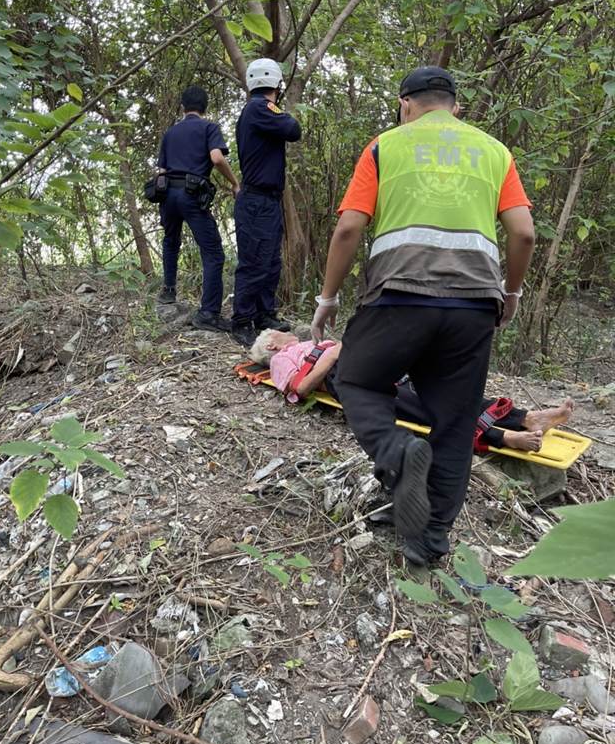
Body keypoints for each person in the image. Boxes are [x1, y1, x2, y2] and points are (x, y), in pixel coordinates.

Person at [310, 66, 535, 566]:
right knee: (454, 423)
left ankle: (396, 455)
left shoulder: (385, 146)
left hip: (398, 297)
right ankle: (429, 540)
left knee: (357, 380)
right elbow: (523, 234)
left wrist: (327, 300)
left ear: (404, 104)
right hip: (475, 305)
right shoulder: (495, 152)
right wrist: (511, 292)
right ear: (455, 107)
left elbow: (349, 229)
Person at [249, 329, 574, 454]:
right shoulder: (280, 360)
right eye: (279, 331)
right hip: (350, 378)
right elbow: (301, 388)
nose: (286, 330)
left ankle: (527, 417)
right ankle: (502, 438)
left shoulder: (305, 344)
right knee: (425, 410)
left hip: (365, 363)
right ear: (273, 343)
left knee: (441, 390)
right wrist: (334, 353)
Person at [157, 85, 240, 332]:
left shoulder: (171, 133)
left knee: (171, 241)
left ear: (183, 107)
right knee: (213, 252)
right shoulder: (208, 128)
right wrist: (235, 182)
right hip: (191, 194)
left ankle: (168, 291)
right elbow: (216, 158)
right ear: (205, 107)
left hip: (167, 192)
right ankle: (209, 313)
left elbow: (161, 170)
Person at [231, 59, 302, 348]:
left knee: (270, 261)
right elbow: (293, 129)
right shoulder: (259, 107)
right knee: (255, 261)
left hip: (266, 200)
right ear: (275, 83)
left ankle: (263, 314)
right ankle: (241, 320)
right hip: (257, 200)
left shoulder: (254, 110)